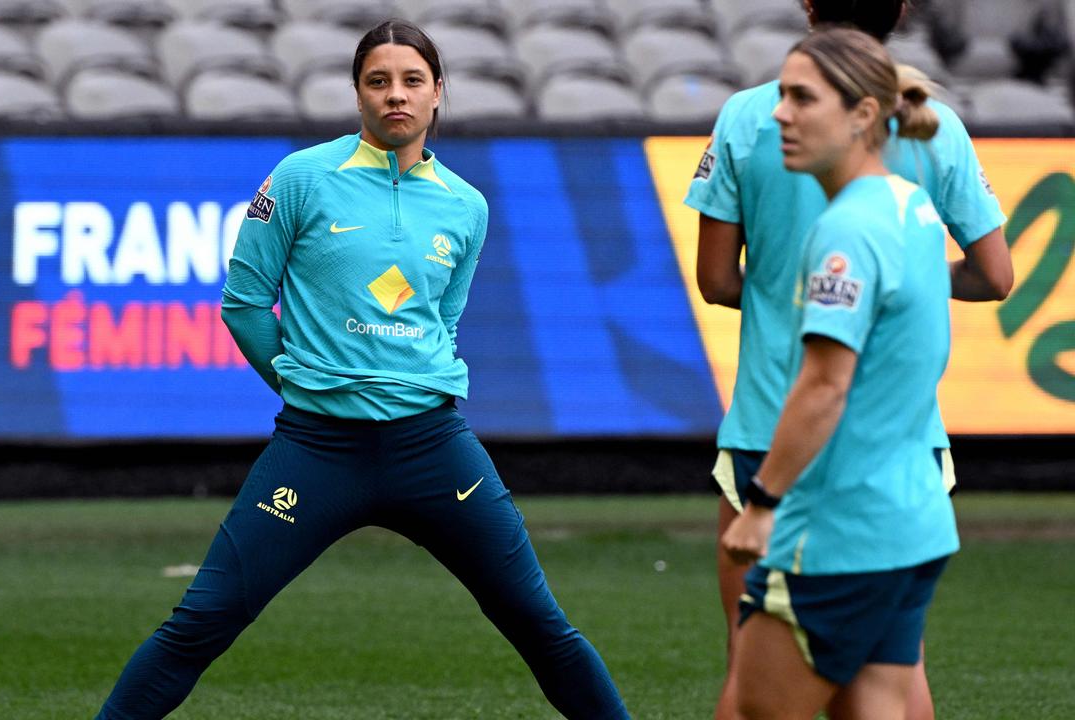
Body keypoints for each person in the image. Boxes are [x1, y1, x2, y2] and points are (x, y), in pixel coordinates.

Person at [92, 19, 631, 720]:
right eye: (378, 81)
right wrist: (300, 386)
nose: (395, 96)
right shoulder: (299, 179)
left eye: (412, 81)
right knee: (202, 621)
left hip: (433, 448)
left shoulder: (467, 206)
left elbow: (444, 321)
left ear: (439, 93)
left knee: (541, 626)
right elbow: (246, 304)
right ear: (357, 94)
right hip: (317, 450)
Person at [684, 1, 1012, 718]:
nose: (779, 114)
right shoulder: (909, 200)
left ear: (861, 114)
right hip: (911, 477)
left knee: (750, 700)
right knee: (884, 694)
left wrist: (766, 500)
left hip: (812, 476)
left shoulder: (845, 228)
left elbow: (819, 378)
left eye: (801, 98)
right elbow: (994, 275)